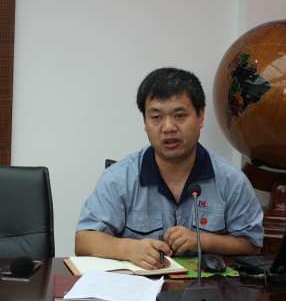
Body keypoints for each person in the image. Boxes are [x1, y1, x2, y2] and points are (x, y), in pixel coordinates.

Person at [75, 67, 264, 271]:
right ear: (145, 122)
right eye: (156, 117)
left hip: (208, 286)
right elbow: (84, 240)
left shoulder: (231, 180)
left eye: (180, 115)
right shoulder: (119, 178)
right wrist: (128, 248)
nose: (168, 127)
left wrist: (204, 240)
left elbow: (252, 245)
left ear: (200, 116)